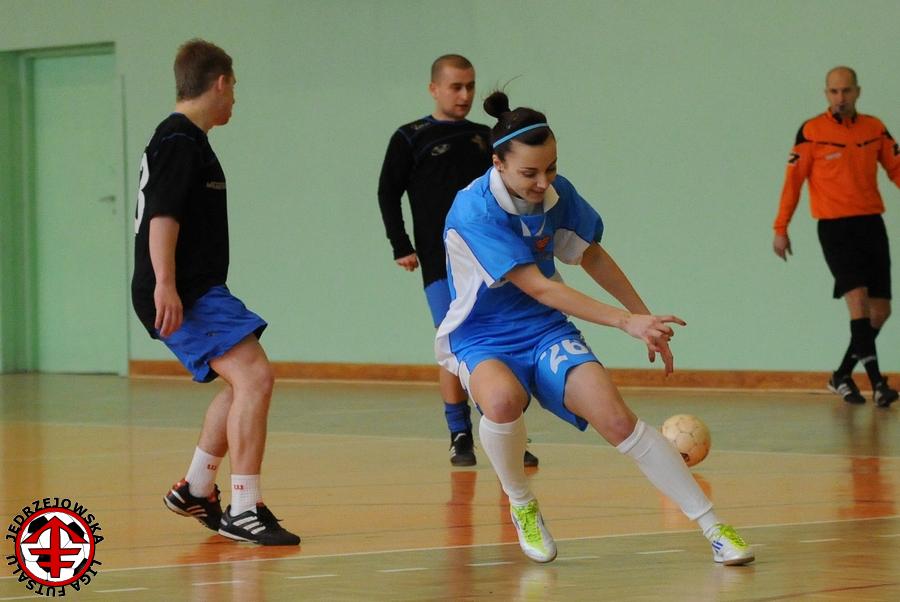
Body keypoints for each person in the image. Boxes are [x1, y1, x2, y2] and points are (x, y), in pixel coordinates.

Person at [434, 90, 754, 565]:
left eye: (551, 168)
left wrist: (644, 318)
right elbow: (540, 287)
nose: (543, 182)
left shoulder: (556, 194)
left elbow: (591, 255)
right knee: (500, 401)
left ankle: (714, 527)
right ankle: (522, 503)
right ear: (498, 164)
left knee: (618, 419)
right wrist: (624, 322)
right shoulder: (474, 211)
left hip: (543, 329)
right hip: (482, 334)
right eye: (529, 172)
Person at [132, 39, 299, 546]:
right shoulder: (179, 140)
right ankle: (245, 508)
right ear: (220, 82)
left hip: (196, 287)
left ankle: (196, 488)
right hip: (185, 288)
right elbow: (162, 217)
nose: (235, 99)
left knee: (242, 381)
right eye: (234, 88)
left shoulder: (186, 139)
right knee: (255, 376)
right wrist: (166, 284)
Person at [378, 54, 538, 467]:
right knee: (454, 339)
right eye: (455, 87)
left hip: (491, 260)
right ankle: (460, 432)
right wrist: (401, 244)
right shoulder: (409, 137)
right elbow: (388, 192)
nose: (465, 94)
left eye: (470, 86)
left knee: (499, 340)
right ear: (434, 89)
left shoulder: (486, 138)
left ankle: (506, 429)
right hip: (439, 261)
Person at [773, 66, 900, 408]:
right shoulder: (812, 131)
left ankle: (841, 375)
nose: (840, 98)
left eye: (846, 91)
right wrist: (781, 228)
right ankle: (878, 384)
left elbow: (896, 168)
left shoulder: (874, 128)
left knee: (880, 311)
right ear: (826, 94)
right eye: (833, 91)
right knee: (857, 301)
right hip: (835, 228)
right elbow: (793, 182)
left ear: (857, 91)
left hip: (871, 224)